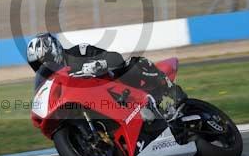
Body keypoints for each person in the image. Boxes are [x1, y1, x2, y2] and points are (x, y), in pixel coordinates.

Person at [26, 32, 188, 111]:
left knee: (134, 63)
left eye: (45, 60)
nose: (44, 67)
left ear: (54, 51)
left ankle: (172, 91)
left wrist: (98, 64)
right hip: (101, 104)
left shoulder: (79, 52)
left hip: (118, 85)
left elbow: (115, 57)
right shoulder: (54, 84)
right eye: (38, 66)